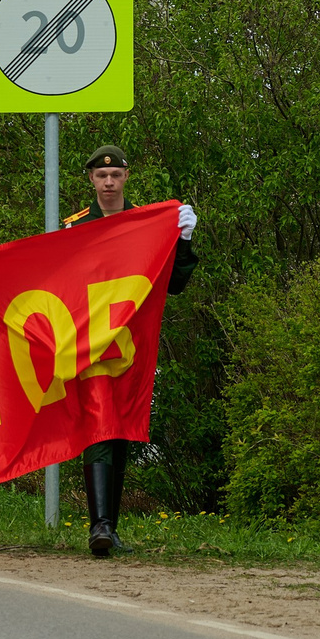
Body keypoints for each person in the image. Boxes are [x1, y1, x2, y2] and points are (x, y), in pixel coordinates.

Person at [64, 144, 198, 558]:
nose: (108, 183)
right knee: (98, 424)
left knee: (120, 428)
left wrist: (183, 241)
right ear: (90, 179)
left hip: (132, 345)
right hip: (90, 343)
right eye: (101, 176)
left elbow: (173, 284)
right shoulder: (75, 226)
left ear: (126, 177)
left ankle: (109, 526)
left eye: (115, 176)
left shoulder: (147, 223)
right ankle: (100, 526)